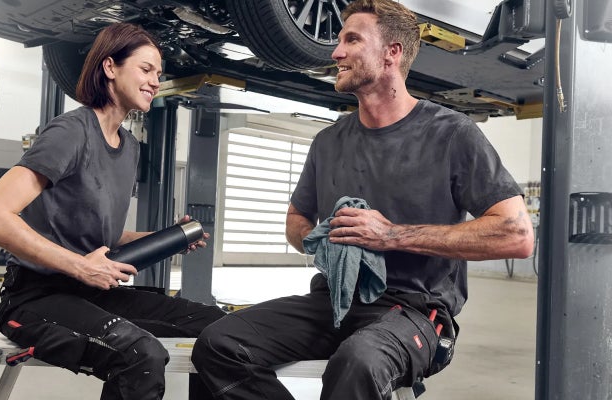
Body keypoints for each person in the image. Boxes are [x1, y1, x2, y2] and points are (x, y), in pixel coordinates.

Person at [191, 1, 534, 399]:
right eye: (338, 41)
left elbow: (517, 235)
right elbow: (296, 218)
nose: (336, 52)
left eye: (352, 39)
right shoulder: (329, 141)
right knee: (218, 345)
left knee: (359, 362)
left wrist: (390, 236)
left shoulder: (451, 133)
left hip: (413, 310)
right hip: (332, 302)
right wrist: (320, 241)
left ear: (393, 53)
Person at [0, 22, 225, 400]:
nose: (156, 81)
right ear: (110, 67)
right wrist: (78, 266)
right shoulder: (70, 132)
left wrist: (163, 239)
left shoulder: (129, 147)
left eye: (159, 73)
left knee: (218, 330)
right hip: (36, 298)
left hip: (93, 293)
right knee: (140, 355)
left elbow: (101, 236)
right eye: (145, 69)